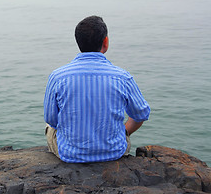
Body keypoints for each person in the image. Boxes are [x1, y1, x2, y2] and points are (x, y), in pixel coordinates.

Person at [44, 15, 150, 163]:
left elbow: (51, 119)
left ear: (78, 42)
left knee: (49, 126)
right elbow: (141, 114)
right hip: (114, 152)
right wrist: (124, 131)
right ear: (105, 42)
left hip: (70, 155)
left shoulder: (58, 77)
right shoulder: (122, 77)